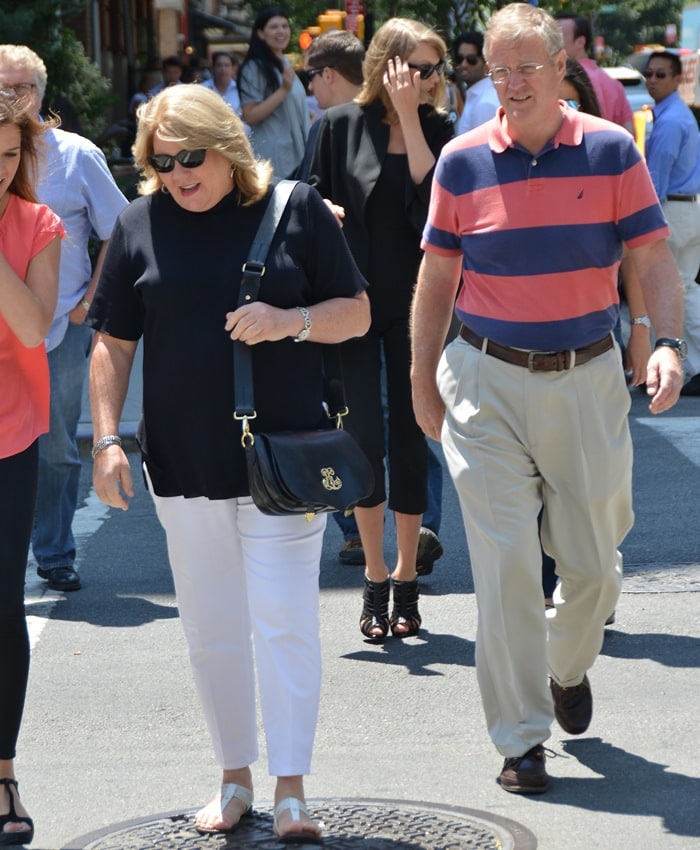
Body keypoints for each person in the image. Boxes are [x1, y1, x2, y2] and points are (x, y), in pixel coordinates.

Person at [411, 3, 684, 794]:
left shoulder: (608, 150)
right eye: (498, 70)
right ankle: (520, 737)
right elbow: (435, 281)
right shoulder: (461, 161)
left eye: (527, 67)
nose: (511, 83)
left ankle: (568, 665)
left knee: (595, 566)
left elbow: (653, 258)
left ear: (561, 67)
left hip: (587, 376)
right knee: (504, 566)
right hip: (484, 378)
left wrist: (663, 341)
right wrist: (422, 379)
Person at [87, 84, 369, 842]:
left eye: (191, 155)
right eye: (160, 158)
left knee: (284, 622)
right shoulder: (138, 223)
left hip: (284, 459)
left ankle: (292, 790)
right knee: (211, 629)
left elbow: (357, 311)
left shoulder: (296, 210)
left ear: (227, 147)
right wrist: (108, 438)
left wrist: (289, 321)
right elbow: (112, 342)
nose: (178, 171)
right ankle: (233, 779)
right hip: (183, 462)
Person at [310, 18, 454, 640]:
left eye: (433, 70)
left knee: (414, 439)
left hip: (419, 306)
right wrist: (323, 208)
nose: (425, 80)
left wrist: (411, 115)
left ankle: (406, 577)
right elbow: (302, 195)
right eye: (415, 68)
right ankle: (373, 574)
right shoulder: (339, 127)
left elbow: (437, 207)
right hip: (353, 304)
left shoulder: (442, 132)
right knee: (363, 437)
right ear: (387, 64)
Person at [0, 45, 129, 593]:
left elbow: (121, 232)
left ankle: (53, 552)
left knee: (53, 451)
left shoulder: (75, 155)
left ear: (42, 91)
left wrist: (87, 306)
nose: (14, 95)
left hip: (54, 331)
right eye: (5, 86)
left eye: (24, 86)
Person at [0, 87, 63, 845]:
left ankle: (4, 772)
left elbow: (30, 324)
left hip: (8, 435)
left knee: (0, 604)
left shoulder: (36, 225)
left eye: (10, 156)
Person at [642, 50, 700, 397]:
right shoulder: (675, 116)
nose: (651, 80)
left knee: (677, 290)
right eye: (649, 74)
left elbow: (654, 181)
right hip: (685, 210)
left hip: (672, 211)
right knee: (686, 288)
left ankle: (691, 365)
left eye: (660, 75)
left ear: (677, 79)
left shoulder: (671, 121)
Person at [238, 7, 309, 179]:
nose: (281, 31)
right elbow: (250, 115)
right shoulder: (254, 68)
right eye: (274, 27)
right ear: (261, 33)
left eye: (285, 26)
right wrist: (283, 90)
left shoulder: (283, 63)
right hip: (275, 161)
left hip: (296, 155)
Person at [555, 13, 633, 133]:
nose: (553, 43)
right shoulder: (614, 84)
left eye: (559, 37)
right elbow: (629, 132)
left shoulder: (560, 80)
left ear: (580, 42)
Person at [453, 32, 499, 135]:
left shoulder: (485, 103)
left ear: (486, 64)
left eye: (471, 60)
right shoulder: (476, 96)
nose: (464, 64)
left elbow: (485, 149)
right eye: (459, 59)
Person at [202, 51, 242, 116]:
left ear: (233, 69)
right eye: (219, 65)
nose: (223, 69)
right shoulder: (202, 89)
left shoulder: (240, 90)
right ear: (213, 68)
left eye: (227, 65)